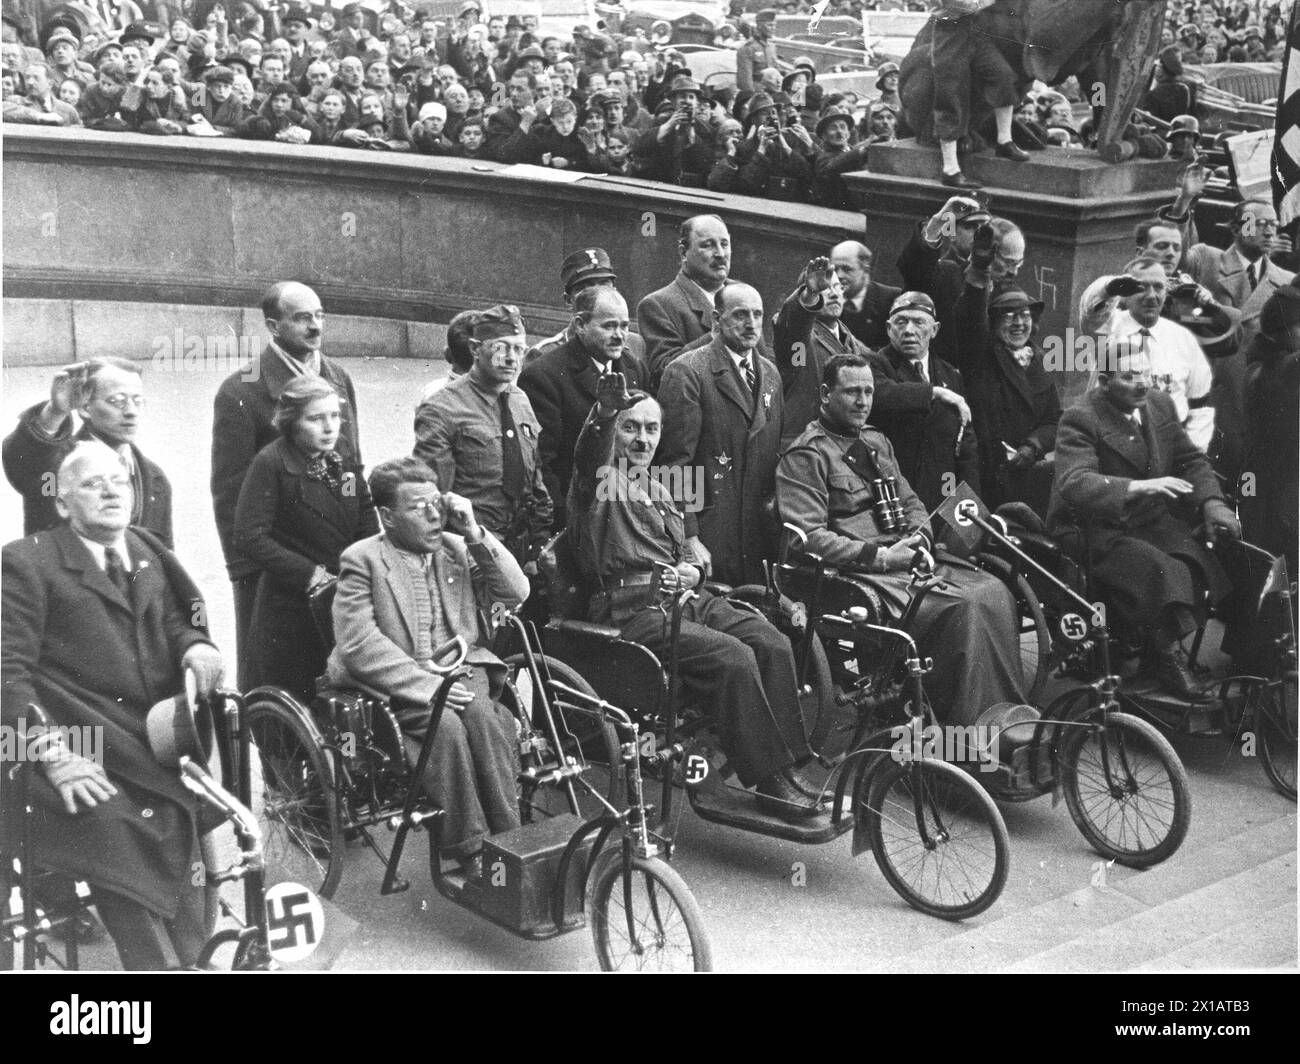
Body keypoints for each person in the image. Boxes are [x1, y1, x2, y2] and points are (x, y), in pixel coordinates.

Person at [1, 442, 226, 969]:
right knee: (111, 824)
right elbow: (6, 670)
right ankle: (157, 967)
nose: (110, 491)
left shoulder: (145, 547)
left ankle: (195, 955)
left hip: (141, 740)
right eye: (92, 484)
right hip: (64, 742)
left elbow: (176, 616)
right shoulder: (27, 561)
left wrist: (194, 644)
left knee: (182, 810)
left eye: (119, 482)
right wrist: (56, 756)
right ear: (61, 502)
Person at [567, 374, 819, 821]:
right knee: (733, 656)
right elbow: (589, 457)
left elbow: (688, 550)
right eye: (630, 428)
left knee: (771, 640)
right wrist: (604, 415)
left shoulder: (661, 488)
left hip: (684, 599)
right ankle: (769, 781)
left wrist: (694, 569)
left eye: (651, 429)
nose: (642, 439)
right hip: (632, 612)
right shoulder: (600, 483)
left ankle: (790, 765)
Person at [776, 353, 1030, 727]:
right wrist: (881, 557)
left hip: (905, 560)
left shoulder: (877, 442)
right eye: (851, 393)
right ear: (826, 394)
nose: (863, 401)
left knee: (994, 590)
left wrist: (920, 539)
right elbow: (809, 538)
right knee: (961, 607)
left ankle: (1006, 719)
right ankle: (962, 730)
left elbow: (911, 503)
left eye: (868, 391)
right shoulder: (806, 455)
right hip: (862, 572)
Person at [327, 458, 525, 876]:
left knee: (484, 718)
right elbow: (359, 644)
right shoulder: (362, 560)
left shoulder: (455, 548)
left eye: (438, 503)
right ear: (386, 517)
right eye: (419, 508)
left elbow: (515, 591)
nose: (435, 515)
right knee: (446, 727)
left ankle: (513, 839)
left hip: (460, 669)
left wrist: (473, 531)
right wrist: (427, 687)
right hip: (397, 682)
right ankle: (469, 847)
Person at [1048, 338, 1240, 700]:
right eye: (1129, 376)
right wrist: (1141, 486)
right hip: (1094, 527)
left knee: (1197, 558)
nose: (1142, 382)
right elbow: (1075, 483)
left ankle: (1159, 652)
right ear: (1104, 383)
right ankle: (1166, 658)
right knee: (1158, 569)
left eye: (1145, 373)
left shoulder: (1159, 405)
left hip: (1147, 521)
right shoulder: (1081, 417)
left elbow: (1191, 460)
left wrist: (1212, 503)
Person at [211, 281, 363, 690]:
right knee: (275, 671)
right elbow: (230, 491)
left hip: (334, 552)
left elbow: (352, 467)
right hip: (276, 563)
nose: (315, 327)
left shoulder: (337, 377)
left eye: (320, 316)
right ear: (273, 325)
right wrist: (246, 571)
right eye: (302, 318)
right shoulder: (242, 390)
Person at [232, 377, 377, 699]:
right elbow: (249, 535)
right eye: (315, 418)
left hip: (345, 594)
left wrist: (367, 563)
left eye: (335, 416)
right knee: (299, 697)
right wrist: (309, 574)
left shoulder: (341, 460)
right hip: (292, 608)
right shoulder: (271, 464)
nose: (329, 427)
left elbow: (362, 513)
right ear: (292, 422)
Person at [657, 283, 783, 586]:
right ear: (716, 319)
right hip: (710, 535)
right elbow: (674, 465)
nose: (751, 323)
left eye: (757, 315)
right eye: (740, 315)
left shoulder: (771, 375)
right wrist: (688, 536)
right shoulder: (687, 372)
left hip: (758, 537)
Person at [413, 305, 552, 566]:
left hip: (520, 549)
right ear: (476, 349)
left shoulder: (520, 402)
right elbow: (432, 495)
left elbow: (535, 480)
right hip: (469, 550)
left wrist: (539, 544)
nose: (512, 358)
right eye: (501, 348)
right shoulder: (443, 408)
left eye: (519, 349)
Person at [519, 286, 648, 530]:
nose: (620, 335)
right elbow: (542, 465)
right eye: (609, 326)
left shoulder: (633, 368)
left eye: (624, 326)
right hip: (577, 517)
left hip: (627, 516)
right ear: (580, 325)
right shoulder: (544, 376)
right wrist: (565, 527)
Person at [3, 359, 171, 543]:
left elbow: (162, 556)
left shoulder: (155, 478)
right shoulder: (53, 467)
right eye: (117, 401)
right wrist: (55, 412)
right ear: (84, 408)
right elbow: (24, 462)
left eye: (137, 401)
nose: (132, 411)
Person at [1078, 256, 1217, 452]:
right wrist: (1110, 287)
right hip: (1112, 444)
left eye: (1159, 287)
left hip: (1169, 447)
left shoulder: (1182, 338)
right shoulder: (1106, 328)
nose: (1151, 295)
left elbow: (1200, 405)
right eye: (1142, 287)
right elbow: (1089, 307)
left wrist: (1191, 454)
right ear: (1125, 294)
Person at [953, 283, 1061, 515]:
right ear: (994, 322)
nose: (1019, 324)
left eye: (1025, 315)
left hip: (1025, 471)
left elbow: (1053, 420)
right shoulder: (981, 354)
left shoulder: (1041, 360)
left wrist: (1033, 446)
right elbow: (971, 313)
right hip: (984, 471)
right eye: (1009, 316)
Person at [866, 291, 980, 510]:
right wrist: (935, 392)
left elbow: (967, 445)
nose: (909, 330)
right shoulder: (873, 364)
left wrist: (970, 501)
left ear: (934, 329)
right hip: (894, 497)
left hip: (942, 497)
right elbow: (884, 395)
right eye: (901, 322)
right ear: (889, 329)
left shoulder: (950, 375)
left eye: (919, 322)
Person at [773, 255, 873, 445]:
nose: (834, 294)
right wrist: (810, 294)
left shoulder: (857, 347)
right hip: (805, 450)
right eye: (825, 288)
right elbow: (793, 326)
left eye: (838, 287)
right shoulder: (800, 345)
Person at [636, 214, 735, 388]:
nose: (720, 254)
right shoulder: (658, 305)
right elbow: (664, 374)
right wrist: (714, 336)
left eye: (724, 244)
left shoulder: (742, 295)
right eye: (707, 245)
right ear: (683, 253)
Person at [630, 74, 715, 187]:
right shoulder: (661, 121)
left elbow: (707, 161)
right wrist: (669, 124)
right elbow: (640, 148)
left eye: (691, 97)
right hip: (662, 182)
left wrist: (692, 135)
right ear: (673, 101)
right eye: (682, 97)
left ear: (696, 102)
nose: (687, 101)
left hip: (691, 187)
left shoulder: (705, 128)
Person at [830, 240, 902, 350]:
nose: (839, 275)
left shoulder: (891, 298)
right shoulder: (824, 300)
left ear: (865, 270)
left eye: (847, 269)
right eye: (835, 269)